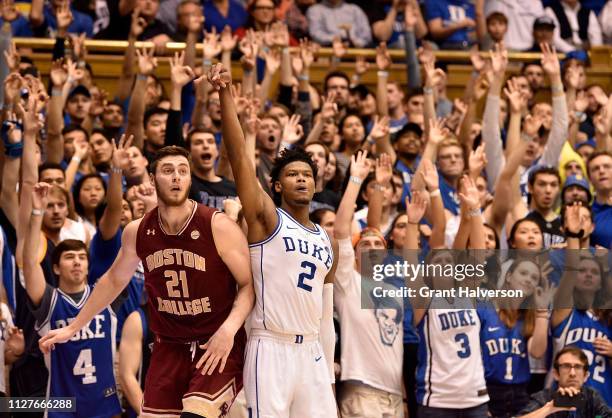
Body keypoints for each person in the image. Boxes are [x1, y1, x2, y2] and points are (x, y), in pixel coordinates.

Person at [37, 146, 254, 417]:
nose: (176, 177)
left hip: (215, 346)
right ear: (152, 178)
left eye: (182, 171)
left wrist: (229, 330)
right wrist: (73, 327)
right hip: (168, 348)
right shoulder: (137, 231)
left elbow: (248, 286)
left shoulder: (217, 225)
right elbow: (114, 280)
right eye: (167, 171)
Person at [208, 63, 338, 417]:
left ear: (316, 184)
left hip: (312, 350)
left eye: (307, 175)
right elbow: (239, 161)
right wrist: (225, 96)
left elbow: (326, 316)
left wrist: (327, 364)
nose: (301, 180)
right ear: (277, 185)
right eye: (293, 175)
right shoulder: (267, 219)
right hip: (270, 347)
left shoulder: (330, 241)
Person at [23, 183, 121, 417]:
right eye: (69, 257)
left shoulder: (104, 295)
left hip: (105, 403)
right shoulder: (49, 300)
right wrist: (37, 212)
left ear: (89, 265)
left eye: (81, 257)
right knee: (10, 405)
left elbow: (116, 221)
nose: (77, 262)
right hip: (62, 407)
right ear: (56, 268)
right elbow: (28, 264)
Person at [517, 346, 611, 417]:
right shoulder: (543, 398)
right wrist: (549, 408)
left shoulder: (592, 396)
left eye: (578, 367)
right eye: (566, 366)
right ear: (556, 374)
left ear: (585, 376)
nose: (572, 373)